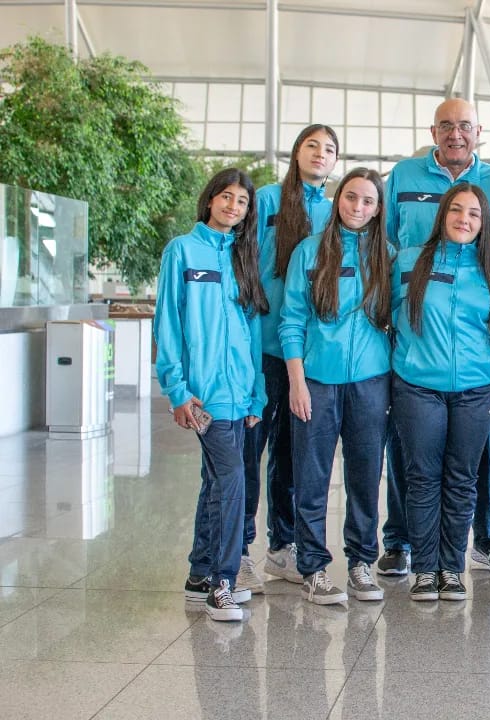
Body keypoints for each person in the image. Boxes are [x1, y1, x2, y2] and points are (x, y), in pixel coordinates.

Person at [379, 98, 490, 578]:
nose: (455, 134)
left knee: (476, 461)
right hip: (422, 340)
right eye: (446, 127)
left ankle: (488, 538)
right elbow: (387, 242)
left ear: (479, 131)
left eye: (464, 126)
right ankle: (400, 542)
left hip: (474, 349)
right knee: (414, 457)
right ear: (432, 131)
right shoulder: (404, 175)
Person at [154, 168, 269, 621]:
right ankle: (223, 582)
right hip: (204, 396)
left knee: (216, 481)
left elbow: (252, 332)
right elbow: (168, 324)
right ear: (209, 200)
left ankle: (200, 572)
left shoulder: (243, 258)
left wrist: (257, 395)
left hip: (240, 394)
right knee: (232, 480)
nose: (233, 206)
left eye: (242, 202)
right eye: (226, 197)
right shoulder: (182, 251)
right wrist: (177, 390)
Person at [278, 167, 394, 605]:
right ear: (337, 199)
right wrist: (297, 382)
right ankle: (313, 567)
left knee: (365, 478)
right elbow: (292, 321)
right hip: (317, 382)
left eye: (367, 201)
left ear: (378, 208)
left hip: (370, 383)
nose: (358, 208)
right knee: (312, 478)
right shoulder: (309, 252)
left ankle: (362, 562)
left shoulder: (388, 256)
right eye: (351, 198)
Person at [390, 184, 490, 601]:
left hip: (475, 388)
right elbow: (383, 314)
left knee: (462, 480)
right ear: (442, 215)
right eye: (456, 210)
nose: (464, 219)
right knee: (422, 478)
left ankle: (452, 568)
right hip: (419, 386)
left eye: (474, 214)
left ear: (483, 223)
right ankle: (425, 569)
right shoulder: (406, 262)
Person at [243, 124, 339, 593]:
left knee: (289, 451)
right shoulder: (265, 200)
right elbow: (242, 259)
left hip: (304, 352)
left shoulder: (333, 211)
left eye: (329, 149)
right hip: (260, 344)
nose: (320, 154)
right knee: (249, 446)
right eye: (312, 145)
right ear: (296, 152)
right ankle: (237, 548)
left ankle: (282, 547)